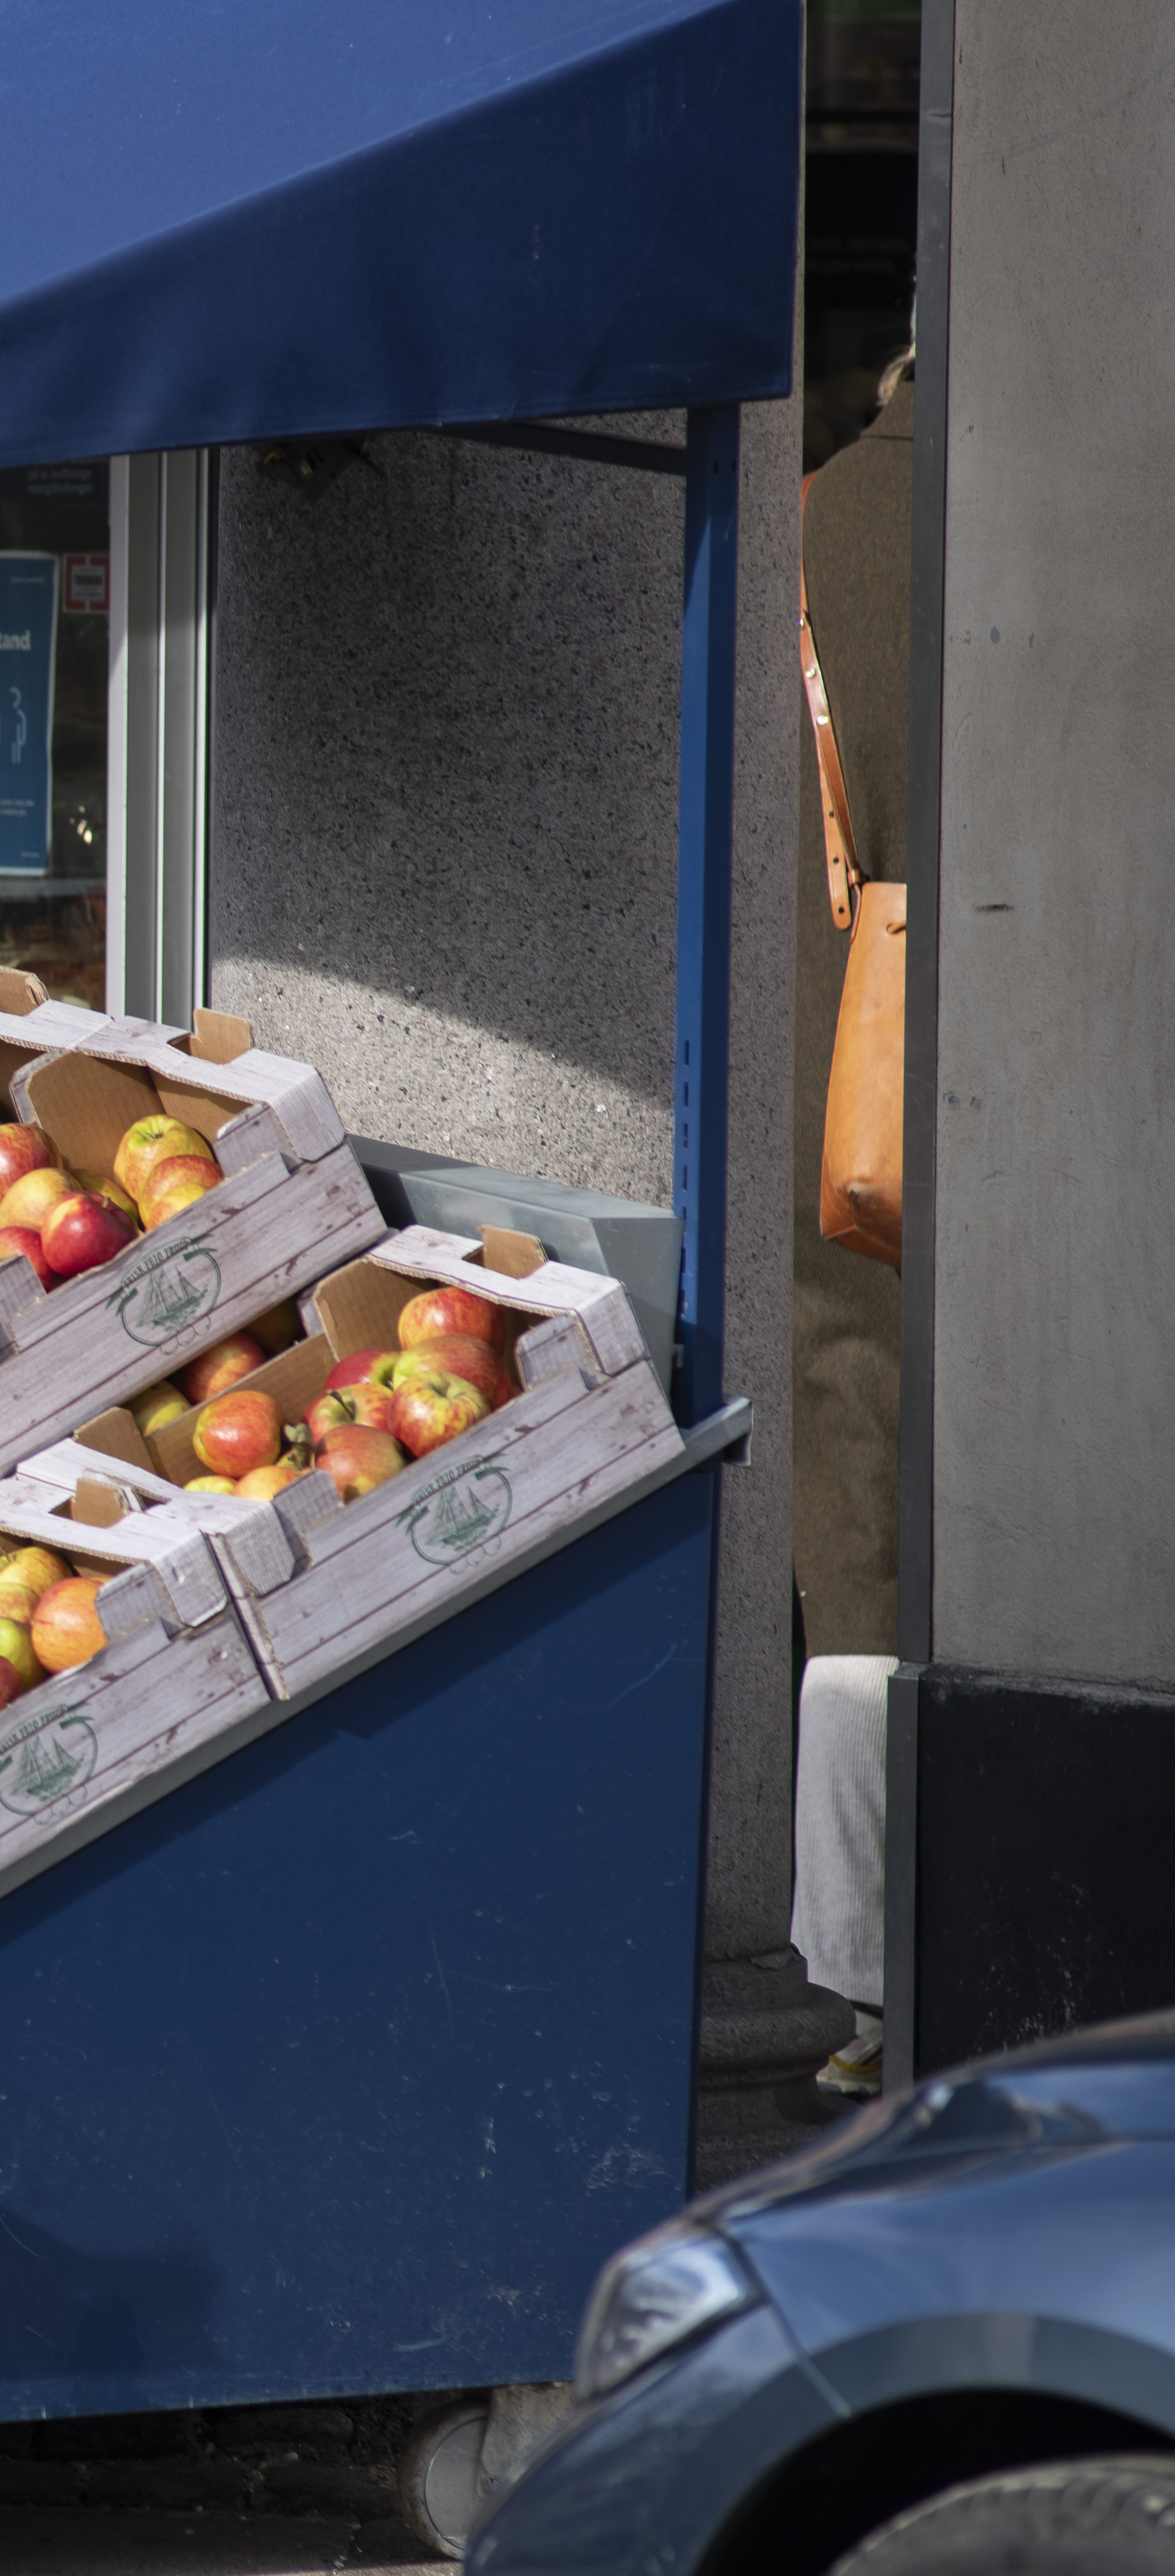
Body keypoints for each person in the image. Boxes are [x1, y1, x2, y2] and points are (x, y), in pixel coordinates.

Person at [787, 348, 916, 2100]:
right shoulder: (1089, 506)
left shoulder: (810, 528)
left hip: (845, 1083)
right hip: (1060, 1081)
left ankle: (871, 1980)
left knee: (855, 1494)